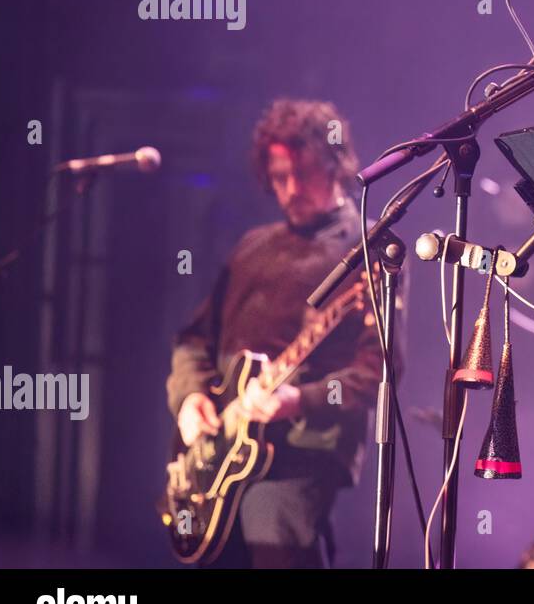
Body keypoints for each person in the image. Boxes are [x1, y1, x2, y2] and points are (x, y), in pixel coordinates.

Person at [166, 98, 401, 567]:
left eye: (304, 172)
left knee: (275, 548)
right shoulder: (252, 246)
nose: (291, 189)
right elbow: (193, 341)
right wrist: (191, 397)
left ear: (336, 165)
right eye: (278, 177)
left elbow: (379, 370)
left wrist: (301, 399)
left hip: (301, 452)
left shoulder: (370, 247)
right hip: (218, 452)